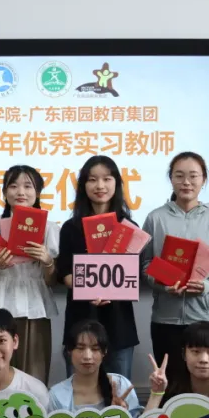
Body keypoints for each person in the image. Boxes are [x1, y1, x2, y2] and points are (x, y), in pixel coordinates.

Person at [141, 152, 209, 389]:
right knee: (169, 383)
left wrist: (207, 285)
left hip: (205, 317)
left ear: (204, 180)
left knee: (207, 384)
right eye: (179, 176)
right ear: (171, 179)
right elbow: (146, 264)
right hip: (166, 317)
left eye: (193, 176)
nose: (186, 182)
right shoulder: (155, 218)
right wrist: (162, 284)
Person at [58, 155, 140, 379]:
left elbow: (134, 274)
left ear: (117, 183)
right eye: (92, 179)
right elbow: (65, 274)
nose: (100, 186)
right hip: (80, 320)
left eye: (107, 179)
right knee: (78, 391)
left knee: (119, 390)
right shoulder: (71, 228)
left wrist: (111, 289)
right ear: (83, 185)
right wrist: (89, 288)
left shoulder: (129, 227)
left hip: (119, 324)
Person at [0, 165, 59, 383]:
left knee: (34, 369)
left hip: (35, 303)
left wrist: (48, 261)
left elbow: (51, 281)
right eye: (13, 186)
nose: (21, 192)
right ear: (4, 192)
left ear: (37, 192)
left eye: (28, 186)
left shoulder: (50, 228)